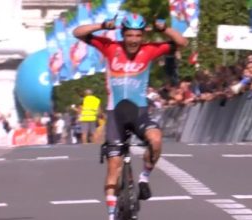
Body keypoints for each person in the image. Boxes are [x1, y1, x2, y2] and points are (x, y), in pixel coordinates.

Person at [73, 13, 187, 220]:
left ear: (143, 35)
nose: (134, 40)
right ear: (122, 34)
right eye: (129, 35)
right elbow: (77, 33)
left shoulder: (150, 49)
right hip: (115, 114)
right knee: (113, 169)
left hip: (139, 113)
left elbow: (181, 42)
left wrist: (163, 29)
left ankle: (143, 179)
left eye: (137, 35)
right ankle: (110, 215)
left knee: (156, 140)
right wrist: (102, 25)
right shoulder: (109, 46)